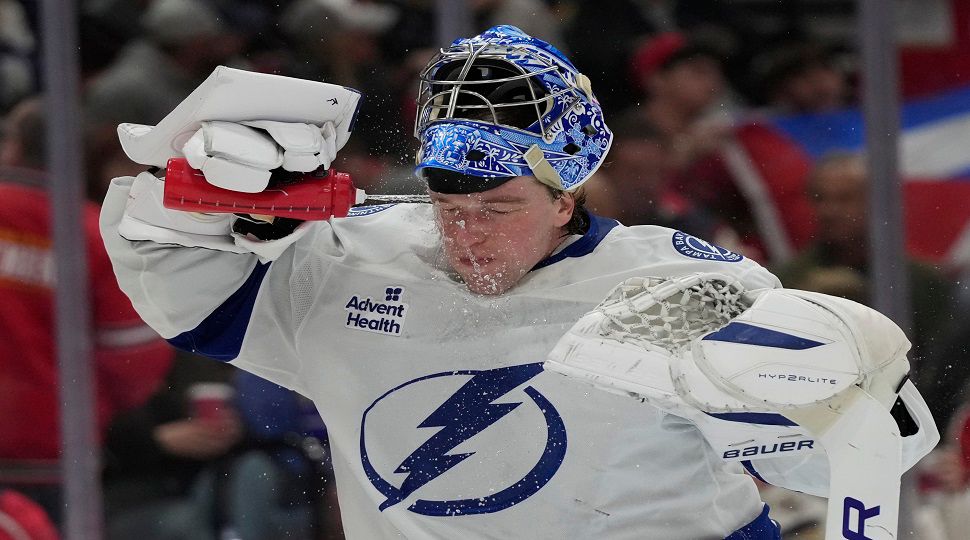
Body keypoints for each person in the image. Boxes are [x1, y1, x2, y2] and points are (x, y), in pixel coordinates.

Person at [99, 26, 925, 539]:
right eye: (447, 203)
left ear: (568, 194)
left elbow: (828, 465)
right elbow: (187, 296)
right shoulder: (347, 260)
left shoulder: (680, 281)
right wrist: (183, 206)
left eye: (498, 206)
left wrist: (843, 402)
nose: (465, 231)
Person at [0, 97, 173, 523]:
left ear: (14, 145)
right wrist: (95, 405)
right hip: (53, 451)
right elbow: (136, 360)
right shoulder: (95, 234)